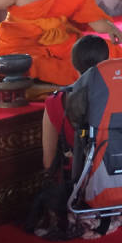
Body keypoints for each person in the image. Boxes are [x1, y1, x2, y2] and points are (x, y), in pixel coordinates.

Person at [41, 34, 110, 172]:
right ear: (106, 62)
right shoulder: (121, 95)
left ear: (73, 64)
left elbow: (48, 163)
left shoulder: (55, 102)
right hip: (119, 176)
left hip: (77, 180)